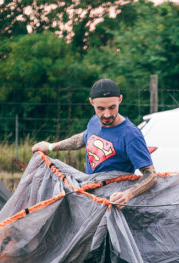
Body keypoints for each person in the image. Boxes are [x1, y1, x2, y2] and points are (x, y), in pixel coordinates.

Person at [32, 79, 157, 207]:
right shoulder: (94, 122)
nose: (107, 114)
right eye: (101, 108)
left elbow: (151, 175)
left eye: (112, 107)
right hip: (91, 197)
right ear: (91, 102)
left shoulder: (131, 134)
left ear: (120, 99)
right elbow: (81, 139)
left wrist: (127, 195)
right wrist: (50, 147)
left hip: (114, 202)